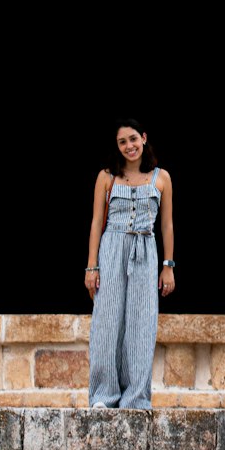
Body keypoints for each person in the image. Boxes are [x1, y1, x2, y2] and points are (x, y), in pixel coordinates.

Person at [85, 121, 174, 409]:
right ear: (118, 146)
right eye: (122, 142)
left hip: (146, 251)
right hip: (112, 248)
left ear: (144, 138)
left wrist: (168, 265)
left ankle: (135, 397)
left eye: (133, 139)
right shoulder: (107, 177)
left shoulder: (161, 178)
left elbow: (167, 225)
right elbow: (97, 223)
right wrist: (91, 266)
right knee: (107, 322)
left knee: (142, 322)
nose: (129, 146)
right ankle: (104, 395)